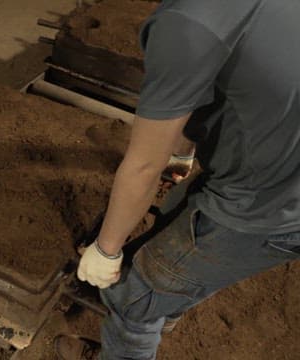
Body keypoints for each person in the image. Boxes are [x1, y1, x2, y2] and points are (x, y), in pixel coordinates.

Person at [55, 0, 300, 359]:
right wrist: (183, 153)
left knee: (132, 298)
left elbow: (143, 166)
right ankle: (168, 303)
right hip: (281, 168)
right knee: (175, 208)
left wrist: (106, 251)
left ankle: (138, 327)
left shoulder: (187, 22)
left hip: (270, 209)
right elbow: (203, 84)